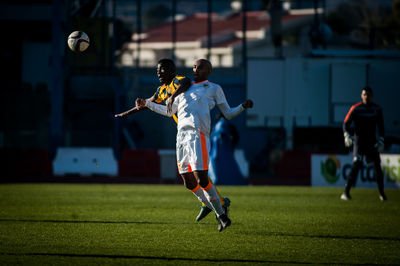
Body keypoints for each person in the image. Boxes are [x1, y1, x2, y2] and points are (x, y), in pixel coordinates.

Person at [136, 59, 253, 231]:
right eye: (194, 67)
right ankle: (217, 209)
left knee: (202, 178)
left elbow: (228, 113)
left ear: (208, 71)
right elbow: (169, 112)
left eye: (200, 67)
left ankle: (221, 215)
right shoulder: (184, 87)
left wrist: (242, 106)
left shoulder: (214, 88)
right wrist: (148, 104)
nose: (196, 70)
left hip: (198, 134)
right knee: (189, 182)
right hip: (181, 136)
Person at [114, 58, 230, 221]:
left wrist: (172, 96)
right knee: (189, 179)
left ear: (171, 70)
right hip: (183, 134)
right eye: (157, 71)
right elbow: (146, 104)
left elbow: (186, 84)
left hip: (196, 129)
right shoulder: (161, 90)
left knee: (199, 174)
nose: (158, 73)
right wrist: (127, 113)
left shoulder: (179, 81)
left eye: (161, 70)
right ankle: (208, 204)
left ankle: (222, 204)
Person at [341, 86, 387, 201]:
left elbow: (381, 126)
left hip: (371, 143)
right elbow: (345, 123)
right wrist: (346, 135)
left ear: (372, 96)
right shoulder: (356, 109)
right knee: (356, 164)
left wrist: (381, 139)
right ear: (361, 96)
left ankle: (382, 194)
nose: (366, 96)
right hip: (359, 143)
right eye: (364, 94)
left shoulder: (377, 109)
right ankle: (346, 193)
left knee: (377, 166)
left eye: (368, 94)